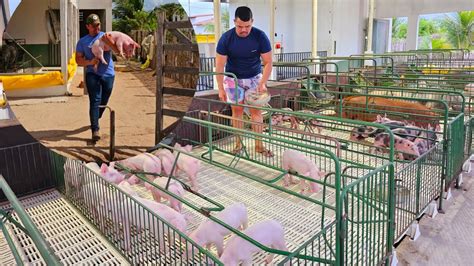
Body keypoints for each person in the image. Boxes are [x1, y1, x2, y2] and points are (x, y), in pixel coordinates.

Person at [215, 6, 273, 157]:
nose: (244, 30)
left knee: (256, 111)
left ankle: (259, 146)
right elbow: (220, 65)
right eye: (240, 26)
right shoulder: (226, 38)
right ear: (234, 22)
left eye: (247, 26)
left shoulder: (260, 36)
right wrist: (220, 88)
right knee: (237, 111)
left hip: (254, 77)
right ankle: (238, 145)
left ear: (252, 22)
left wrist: (263, 82)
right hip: (233, 79)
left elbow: (268, 62)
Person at [75, 14, 115, 141]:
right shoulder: (82, 42)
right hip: (92, 73)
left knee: (104, 100)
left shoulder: (106, 36)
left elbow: (117, 51)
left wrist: (111, 43)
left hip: (108, 74)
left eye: (98, 25)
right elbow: (78, 60)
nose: (96, 27)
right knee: (95, 100)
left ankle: (96, 117)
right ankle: (95, 130)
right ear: (87, 26)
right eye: (93, 25)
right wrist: (89, 63)